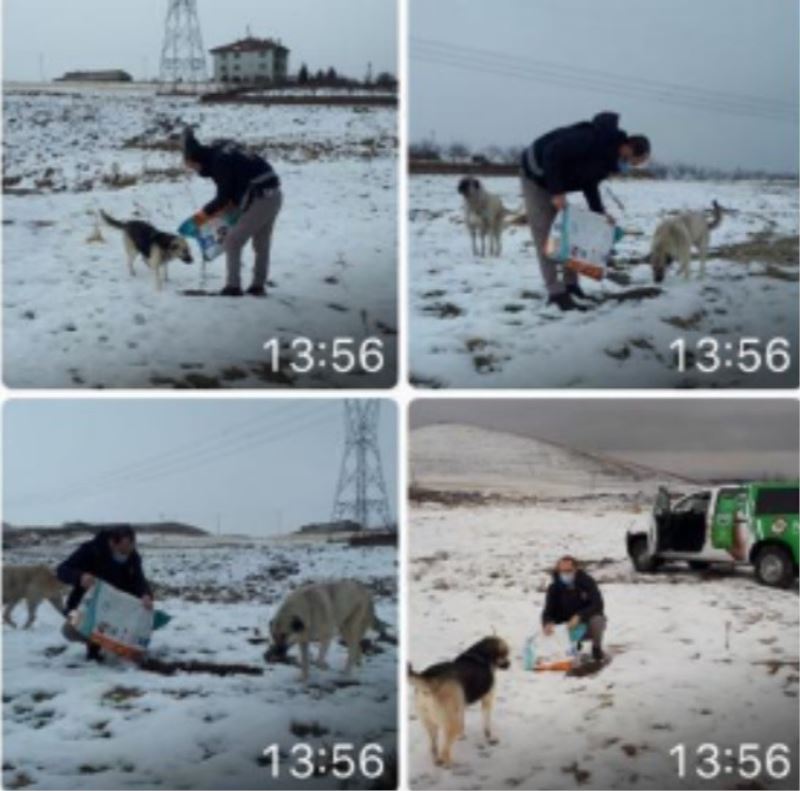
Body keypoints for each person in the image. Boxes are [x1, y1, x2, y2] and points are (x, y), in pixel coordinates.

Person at [520, 112, 650, 311]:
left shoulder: (607, 160)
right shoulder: (591, 139)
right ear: (627, 146)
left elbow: (590, 184)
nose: (628, 166)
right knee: (545, 235)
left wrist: (599, 214)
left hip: (556, 180)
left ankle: (571, 286)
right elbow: (552, 153)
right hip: (536, 174)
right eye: (631, 161)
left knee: (570, 234)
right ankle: (556, 293)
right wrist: (556, 192)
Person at [183, 129, 282, 297]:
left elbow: (223, 196)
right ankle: (258, 286)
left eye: (193, 166)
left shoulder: (219, 161)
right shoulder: (221, 151)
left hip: (260, 197)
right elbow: (235, 185)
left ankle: (233, 287)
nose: (195, 171)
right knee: (261, 243)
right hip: (273, 194)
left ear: (197, 159)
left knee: (233, 241)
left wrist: (201, 216)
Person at [56, 525, 153, 662]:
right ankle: (94, 644)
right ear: (112, 542)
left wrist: (145, 594)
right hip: (83, 606)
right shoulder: (90, 550)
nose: (125, 555)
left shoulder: (132, 556)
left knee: (128, 632)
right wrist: (80, 577)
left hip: (116, 609)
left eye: (129, 549)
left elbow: (139, 581)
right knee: (69, 630)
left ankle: (111, 644)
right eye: (122, 551)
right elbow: (61, 570)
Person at [541, 555, 606, 662]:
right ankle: (562, 651)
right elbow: (547, 611)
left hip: (585, 626)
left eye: (569, 571)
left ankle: (596, 648)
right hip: (564, 628)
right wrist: (547, 623)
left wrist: (579, 616)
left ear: (576, 569)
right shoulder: (553, 588)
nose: (566, 574)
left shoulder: (587, 583)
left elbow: (597, 604)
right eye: (562, 571)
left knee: (598, 620)